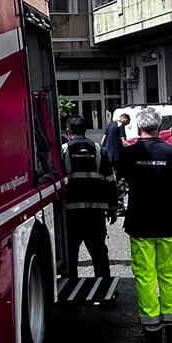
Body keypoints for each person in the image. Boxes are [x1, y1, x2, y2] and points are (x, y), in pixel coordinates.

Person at [117, 108, 172, 343]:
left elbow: (122, 181)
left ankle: (151, 333)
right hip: (168, 223)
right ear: (159, 127)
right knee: (170, 277)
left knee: (145, 278)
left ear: (138, 127)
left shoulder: (129, 154)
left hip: (140, 225)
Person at [61, 115, 114, 280]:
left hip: (71, 213)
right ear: (86, 130)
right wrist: (112, 208)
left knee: (71, 254)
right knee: (99, 251)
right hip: (95, 212)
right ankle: (104, 288)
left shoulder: (63, 150)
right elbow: (110, 181)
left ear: (69, 132)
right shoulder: (99, 150)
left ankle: (70, 293)